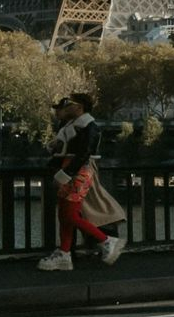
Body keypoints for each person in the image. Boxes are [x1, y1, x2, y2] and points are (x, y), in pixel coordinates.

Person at [38, 95, 125, 270]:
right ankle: (64, 253)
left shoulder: (88, 127)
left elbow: (84, 153)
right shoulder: (74, 125)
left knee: (70, 213)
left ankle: (106, 241)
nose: (65, 108)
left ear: (80, 107)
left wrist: (65, 173)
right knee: (64, 213)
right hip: (71, 169)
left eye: (70, 105)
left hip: (78, 171)